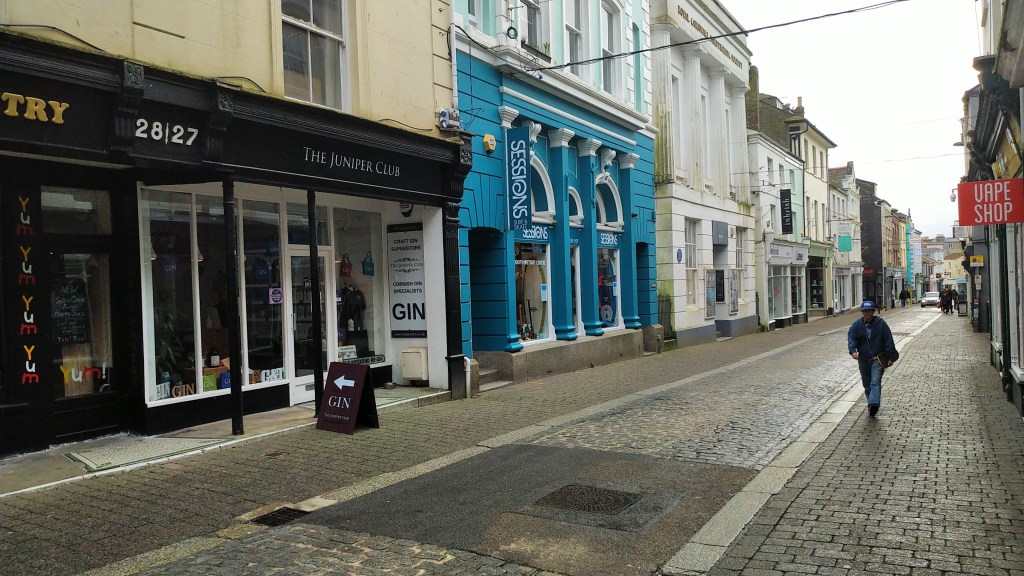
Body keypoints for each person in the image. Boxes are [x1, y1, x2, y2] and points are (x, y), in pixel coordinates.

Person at [848, 300, 898, 418]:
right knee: (867, 384)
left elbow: (888, 341)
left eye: (870, 311)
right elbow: (852, 338)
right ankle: (871, 404)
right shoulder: (856, 325)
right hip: (863, 359)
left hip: (878, 358)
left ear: (873, 311)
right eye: (865, 311)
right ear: (862, 312)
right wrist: (853, 351)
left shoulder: (881, 324)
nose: (867, 313)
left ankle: (874, 404)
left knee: (875, 381)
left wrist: (891, 357)